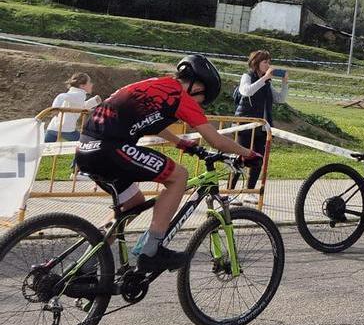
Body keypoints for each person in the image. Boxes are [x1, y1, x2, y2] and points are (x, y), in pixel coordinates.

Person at [75, 55, 261, 272]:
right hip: (111, 148)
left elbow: (152, 122)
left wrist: (180, 142)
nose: (198, 104)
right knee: (179, 176)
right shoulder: (180, 96)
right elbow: (216, 140)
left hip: (87, 149)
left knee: (133, 203)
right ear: (196, 87)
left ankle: (84, 266)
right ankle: (151, 251)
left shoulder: (157, 85)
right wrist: (249, 154)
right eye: (201, 99)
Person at [229, 50, 288, 198]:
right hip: (245, 125)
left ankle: (249, 192)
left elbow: (280, 99)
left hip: (262, 127)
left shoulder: (267, 82)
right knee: (240, 159)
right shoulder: (247, 76)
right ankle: (229, 192)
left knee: (257, 160)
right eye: (265, 62)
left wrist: (284, 82)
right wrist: (265, 78)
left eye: (269, 62)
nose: (268, 65)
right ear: (256, 63)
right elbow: (246, 91)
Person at [45, 72, 100, 143]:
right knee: (87, 143)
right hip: (66, 129)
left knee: (44, 148)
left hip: (52, 128)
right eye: (89, 82)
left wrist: (94, 101)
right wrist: (55, 109)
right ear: (82, 86)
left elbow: (79, 106)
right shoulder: (79, 94)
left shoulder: (74, 93)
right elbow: (61, 96)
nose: (92, 84)